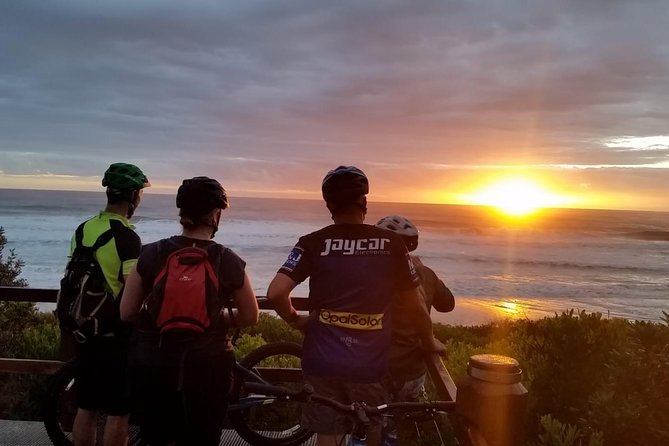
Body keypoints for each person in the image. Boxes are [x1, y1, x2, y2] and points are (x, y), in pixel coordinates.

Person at [267, 166, 444, 446]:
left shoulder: (312, 242)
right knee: (370, 428)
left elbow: (276, 292)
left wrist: (295, 320)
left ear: (329, 206)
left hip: (322, 360)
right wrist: (429, 341)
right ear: (364, 203)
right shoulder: (392, 244)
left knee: (328, 432)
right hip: (369, 363)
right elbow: (416, 309)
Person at [120, 176, 259, 446]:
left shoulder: (151, 253)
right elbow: (250, 315)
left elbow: (127, 311)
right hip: (209, 366)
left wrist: (163, 314)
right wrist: (213, 317)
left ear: (182, 213)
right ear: (215, 215)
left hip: (155, 365)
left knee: (156, 438)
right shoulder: (227, 259)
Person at [69, 162, 150, 446]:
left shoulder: (83, 230)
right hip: (116, 334)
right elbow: (132, 290)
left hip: (83, 328)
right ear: (133, 196)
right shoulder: (127, 238)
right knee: (118, 412)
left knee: (86, 406)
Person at [376, 215, 455, 446]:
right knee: (404, 428)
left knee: (372, 423)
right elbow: (447, 304)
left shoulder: (369, 276)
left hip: (374, 366)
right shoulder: (424, 273)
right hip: (412, 368)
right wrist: (426, 275)